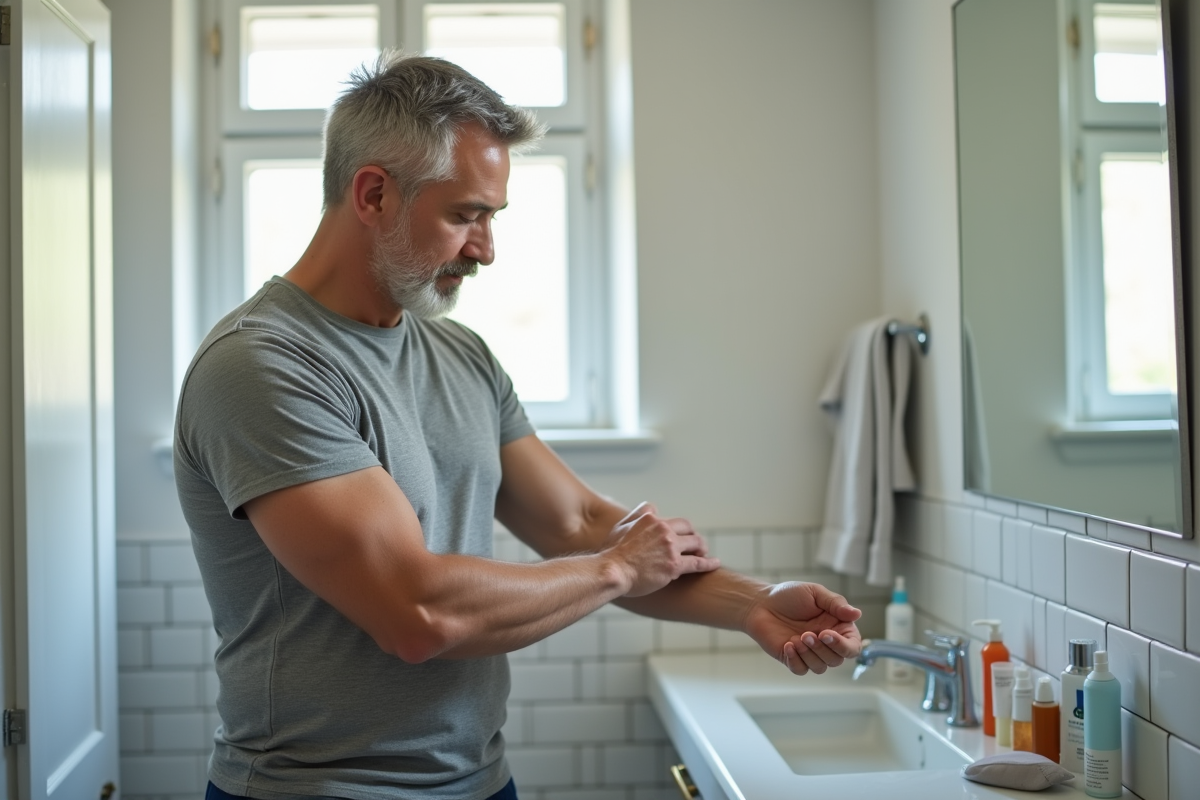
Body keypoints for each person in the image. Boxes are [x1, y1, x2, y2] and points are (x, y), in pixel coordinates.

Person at [174, 52, 863, 800]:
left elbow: (579, 525)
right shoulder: (262, 366)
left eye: (491, 217)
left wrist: (756, 604)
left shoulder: (458, 353)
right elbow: (417, 612)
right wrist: (618, 568)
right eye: (464, 215)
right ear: (373, 193)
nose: (486, 250)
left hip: (479, 781)